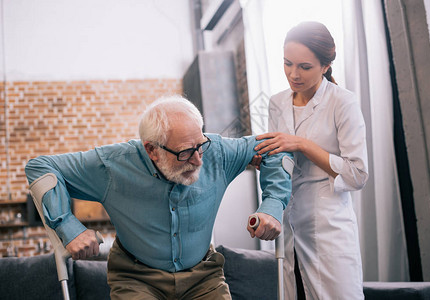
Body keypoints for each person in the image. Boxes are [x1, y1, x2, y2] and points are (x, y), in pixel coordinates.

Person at [25, 95, 293, 300]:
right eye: (186, 153)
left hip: (203, 276)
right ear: (152, 150)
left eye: (201, 145)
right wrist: (69, 228)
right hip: (136, 278)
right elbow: (40, 167)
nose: (199, 159)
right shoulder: (111, 166)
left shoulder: (217, 151)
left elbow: (276, 148)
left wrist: (271, 206)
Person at [253, 21, 368, 299]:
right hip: (289, 228)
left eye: (304, 67)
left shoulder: (343, 102)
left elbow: (357, 174)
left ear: (326, 66)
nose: (294, 74)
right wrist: (265, 158)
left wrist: (302, 145)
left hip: (329, 230)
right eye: (287, 63)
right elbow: (282, 161)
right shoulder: (277, 102)